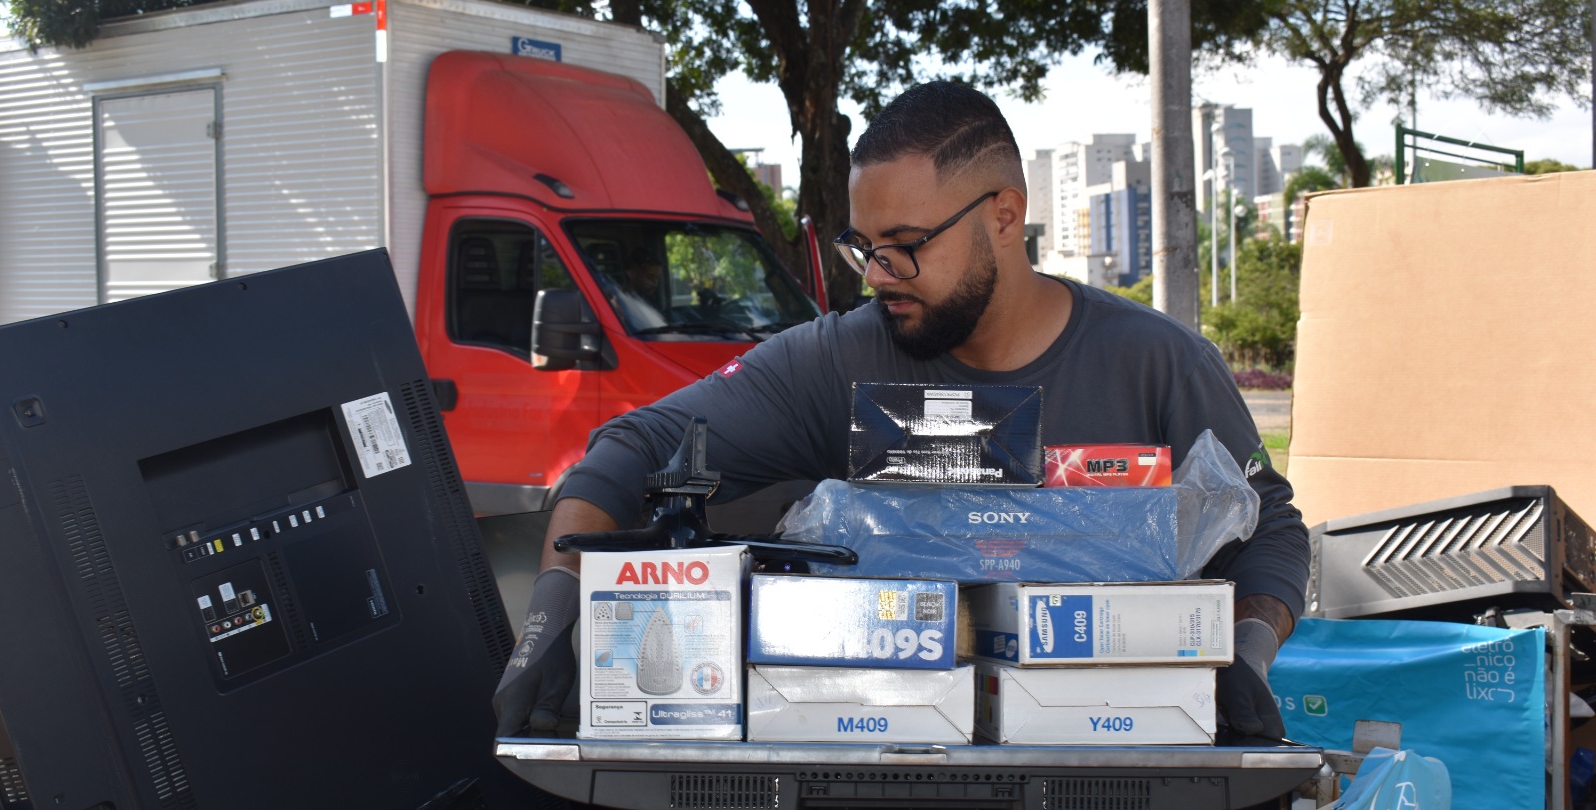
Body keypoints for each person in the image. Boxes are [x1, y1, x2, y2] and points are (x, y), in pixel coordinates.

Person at [494, 80, 1310, 743]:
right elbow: (634, 446)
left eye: (907, 244)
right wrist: (555, 607)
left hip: (1107, 792)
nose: (878, 274)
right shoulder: (839, 361)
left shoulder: (1156, 365)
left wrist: (1246, 651)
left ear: (1003, 213)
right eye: (864, 246)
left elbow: (1268, 527)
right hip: (895, 793)